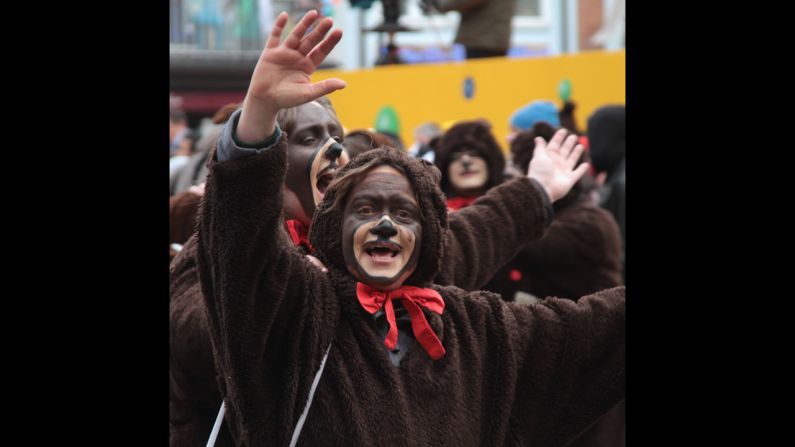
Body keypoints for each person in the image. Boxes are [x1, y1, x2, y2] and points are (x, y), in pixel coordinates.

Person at [194, 11, 624, 445]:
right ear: (337, 223)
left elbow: (585, 328)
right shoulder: (293, 305)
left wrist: (536, 191)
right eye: (364, 209)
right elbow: (236, 266)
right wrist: (257, 122)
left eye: (404, 215)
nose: (384, 225)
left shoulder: (471, 327)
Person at [428, 0, 518, 59]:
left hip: (482, 39)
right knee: (490, 82)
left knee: (478, 83)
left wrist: (439, 3)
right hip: (494, 38)